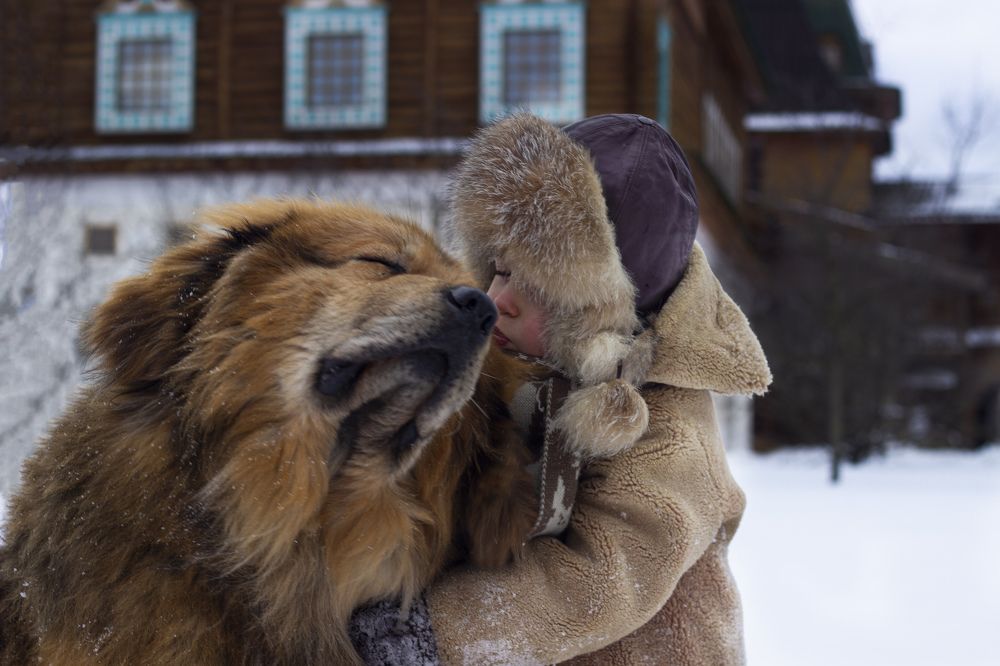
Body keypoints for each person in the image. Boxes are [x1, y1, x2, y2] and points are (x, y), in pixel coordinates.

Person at [350, 112, 771, 665]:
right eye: (501, 270)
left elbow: (600, 581)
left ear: (605, 310)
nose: (500, 299)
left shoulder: (668, 428)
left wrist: (437, 632)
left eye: (541, 288)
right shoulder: (519, 368)